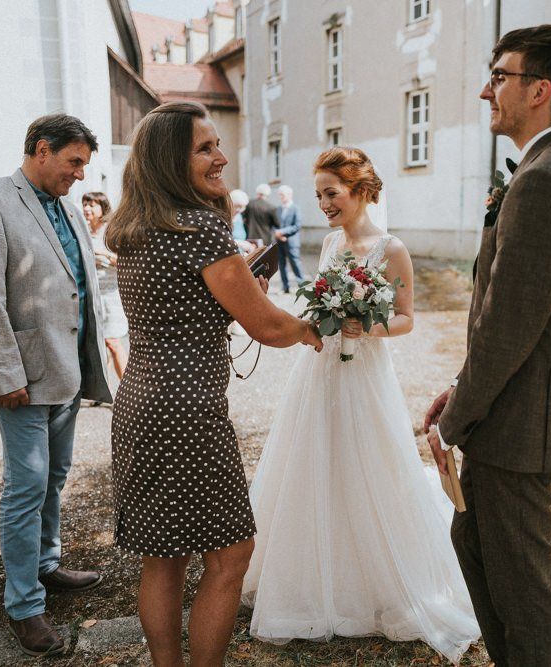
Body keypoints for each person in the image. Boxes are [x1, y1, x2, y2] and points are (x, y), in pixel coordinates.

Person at [241, 147, 480, 664]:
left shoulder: (390, 249)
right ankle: (309, 574)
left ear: (361, 191)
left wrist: (365, 326)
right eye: (319, 195)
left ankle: (374, 581)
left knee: (366, 462)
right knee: (313, 461)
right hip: (321, 369)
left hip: (364, 373)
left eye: (332, 193)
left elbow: (407, 318)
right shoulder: (328, 242)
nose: (324, 204)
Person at [105, 101, 322, 667]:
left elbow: (181, 304)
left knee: (164, 558)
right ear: (169, 159)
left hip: (140, 397)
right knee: (230, 554)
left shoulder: (133, 226)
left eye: (217, 145)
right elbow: (267, 326)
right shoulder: (201, 227)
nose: (221, 157)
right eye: (204, 148)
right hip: (187, 408)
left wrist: (237, 281)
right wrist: (314, 326)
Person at [424, 25, 551, 666]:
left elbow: (509, 327)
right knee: (475, 546)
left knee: (522, 589)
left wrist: (454, 422)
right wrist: (460, 389)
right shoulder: (547, 168)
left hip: (521, 424)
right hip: (507, 412)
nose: (485, 91)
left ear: (540, 90)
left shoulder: (548, 179)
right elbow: (507, 314)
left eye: (499, 76)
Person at [0, 113, 113, 657]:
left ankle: (45, 566)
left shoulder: (66, 204)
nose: (80, 176)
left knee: (55, 478)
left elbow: (79, 285)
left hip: (66, 370)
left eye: (84, 166)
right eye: (74, 163)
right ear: (41, 149)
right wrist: (4, 375)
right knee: (27, 487)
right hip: (21, 377)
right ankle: (23, 606)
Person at [82, 191, 128, 380]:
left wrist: (104, 255)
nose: (86, 209)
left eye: (92, 205)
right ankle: (103, 390)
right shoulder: (83, 231)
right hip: (92, 295)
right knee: (99, 344)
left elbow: (127, 261)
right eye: (85, 204)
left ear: (102, 208)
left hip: (112, 296)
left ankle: (129, 394)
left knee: (112, 342)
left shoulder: (112, 231)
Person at [273, 185, 304, 293]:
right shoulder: (278, 209)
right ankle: (285, 287)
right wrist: (277, 233)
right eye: (279, 195)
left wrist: (282, 232)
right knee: (281, 265)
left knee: (295, 263)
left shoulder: (295, 208)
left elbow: (297, 225)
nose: (281, 197)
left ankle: (302, 286)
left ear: (290, 195)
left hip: (292, 242)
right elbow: (274, 224)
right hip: (279, 241)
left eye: (283, 195)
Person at [241, 183, 279, 247]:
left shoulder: (249, 204)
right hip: (265, 239)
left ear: (257, 192)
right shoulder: (271, 207)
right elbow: (277, 224)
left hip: (250, 238)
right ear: (268, 194)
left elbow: (243, 217)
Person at [229, 189, 255, 254]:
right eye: (237, 206)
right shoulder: (224, 218)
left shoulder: (239, 217)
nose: (240, 210)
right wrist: (239, 243)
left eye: (242, 207)